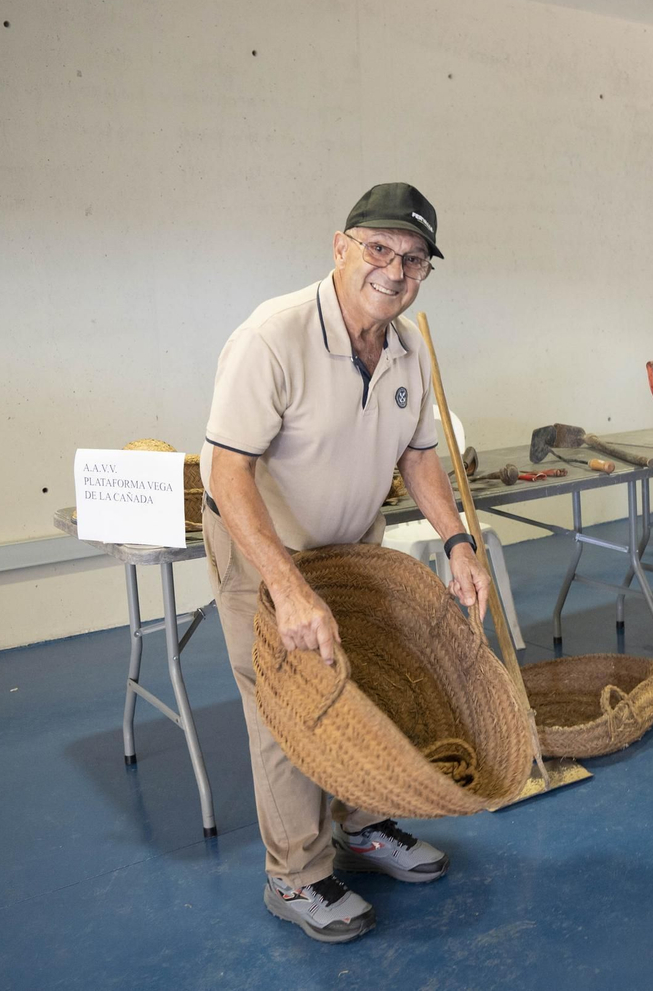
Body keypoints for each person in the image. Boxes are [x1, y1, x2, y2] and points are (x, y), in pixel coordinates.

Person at [200, 183, 490, 943]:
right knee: (286, 707)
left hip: (349, 545)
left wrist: (459, 541)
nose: (394, 271)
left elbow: (419, 455)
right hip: (265, 553)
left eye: (414, 258)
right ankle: (295, 875)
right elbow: (225, 473)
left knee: (359, 685)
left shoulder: (405, 347)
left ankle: (362, 829)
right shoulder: (275, 336)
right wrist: (288, 590)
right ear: (341, 246)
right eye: (379, 249)